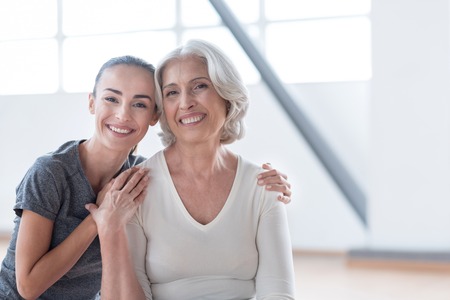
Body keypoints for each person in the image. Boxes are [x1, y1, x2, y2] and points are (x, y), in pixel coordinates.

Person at [0, 55, 292, 299]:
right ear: (91, 103)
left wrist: (270, 187)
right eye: (111, 99)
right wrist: (98, 219)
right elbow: (28, 287)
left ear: (155, 116)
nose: (123, 114)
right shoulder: (50, 173)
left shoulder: (139, 176)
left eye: (139, 104)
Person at [89, 39, 296, 299]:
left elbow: (278, 292)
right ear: (163, 109)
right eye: (172, 92)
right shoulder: (135, 188)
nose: (186, 102)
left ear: (227, 95)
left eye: (199, 86)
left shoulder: (263, 186)